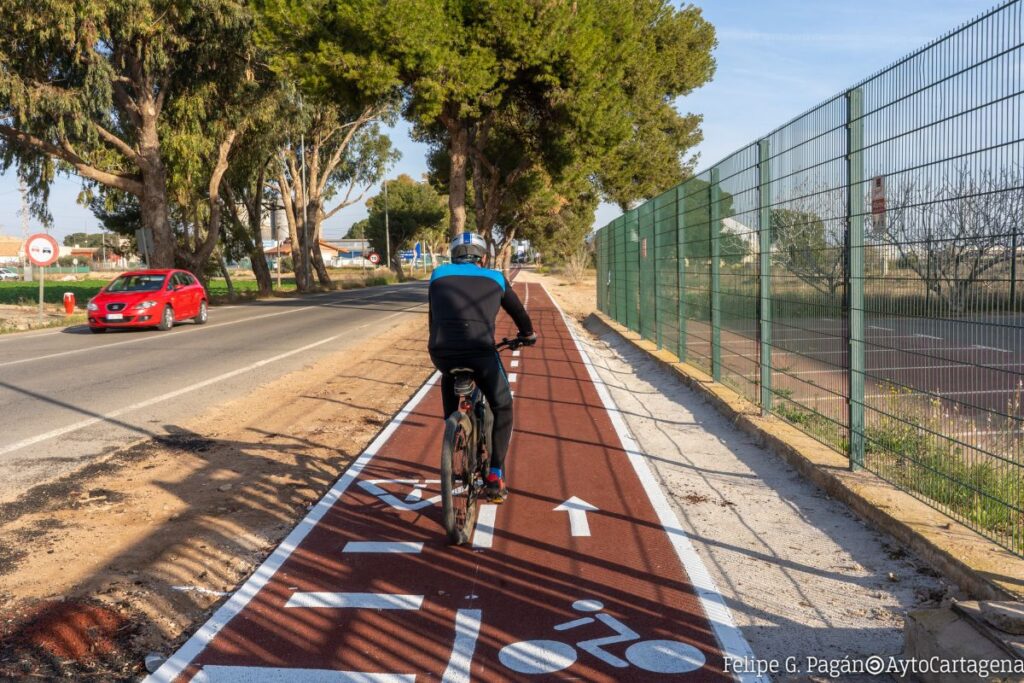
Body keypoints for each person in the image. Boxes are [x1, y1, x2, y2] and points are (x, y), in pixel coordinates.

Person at [428, 232, 536, 503]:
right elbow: (519, 313)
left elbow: (434, 317)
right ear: (483, 257)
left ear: (453, 255)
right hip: (480, 353)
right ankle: (495, 475)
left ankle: (453, 429)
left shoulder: (438, 275)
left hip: (442, 352)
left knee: (447, 375)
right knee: (502, 406)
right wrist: (527, 334)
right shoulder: (496, 277)